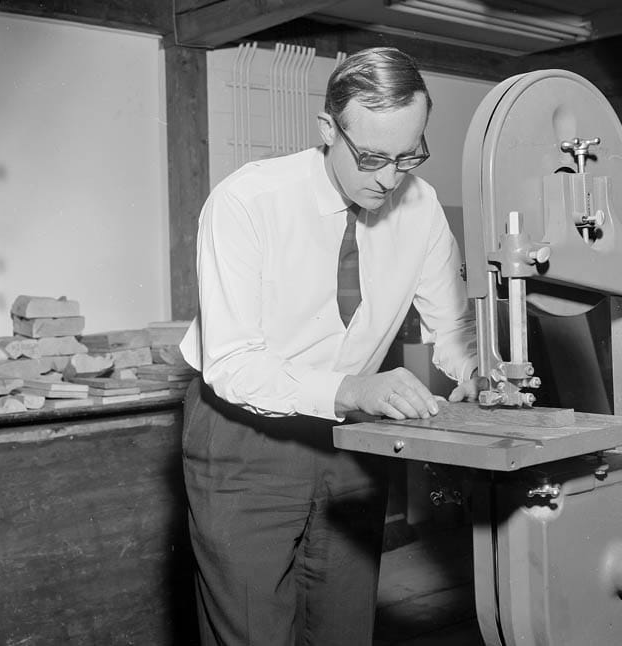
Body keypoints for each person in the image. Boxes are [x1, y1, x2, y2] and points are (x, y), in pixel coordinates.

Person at [179, 47, 484, 646]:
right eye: (371, 156)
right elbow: (234, 364)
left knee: (343, 631)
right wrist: (350, 388)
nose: (389, 177)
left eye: (409, 155)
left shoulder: (418, 209)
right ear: (327, 130)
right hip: (245, 440)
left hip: (352, 443)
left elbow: (451, 331)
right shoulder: (248, 202)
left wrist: (477, 372)